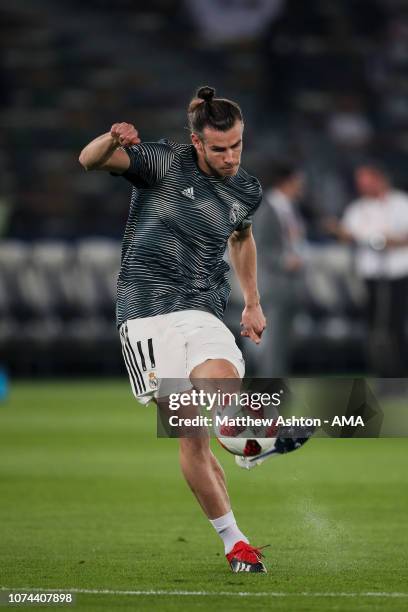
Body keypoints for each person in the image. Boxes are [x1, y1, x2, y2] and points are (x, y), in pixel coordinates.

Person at [79, 86, 267, 573]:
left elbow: (242, 238)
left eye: (237, 146)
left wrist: (252, 302)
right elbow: (89, 160)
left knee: (220, 382)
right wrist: (111, 138)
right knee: (190, 437)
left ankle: (234, 423)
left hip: (202, 307)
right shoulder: (161, 163)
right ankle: (234, 541)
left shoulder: (246, 189)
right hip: (144, 314)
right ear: (197, 142)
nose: (230, 158)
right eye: (219, 148)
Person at [328, 163, 408, 376]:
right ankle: (380, 370)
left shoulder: (400, 203)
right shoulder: (357, 208)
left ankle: (398, 373)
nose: (362, 186)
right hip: (369, 275)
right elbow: (348, 235)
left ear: (379, 179)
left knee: (393, 325)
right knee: (372, 325)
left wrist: (392, 241)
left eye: (366, 181)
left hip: (396, 274)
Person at [246, 162, 306, 377]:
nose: (302, 185)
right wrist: (283, 260)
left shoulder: (289, 207)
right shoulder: (266, 207)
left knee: (284, 340)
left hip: (290, 283)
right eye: (298, 180)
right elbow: (257, 246)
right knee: (273, 342)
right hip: (273, 283)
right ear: (287, 181)